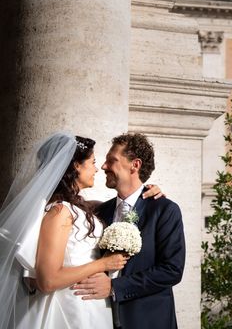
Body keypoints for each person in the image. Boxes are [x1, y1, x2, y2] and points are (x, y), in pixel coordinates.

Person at [0, 133, 128, 328]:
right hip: (68, 307)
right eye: (92, 162)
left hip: (87, 306)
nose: (97, 168)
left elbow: (119, 206)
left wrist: (147, 192)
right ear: (76, 165)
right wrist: (102, 264)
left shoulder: (76, 207)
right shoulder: (60, 212)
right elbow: (48, 280)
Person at [72, 133, 186, 329]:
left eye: (111, 161)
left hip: (149, 321)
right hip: (100, 318)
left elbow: (172, 270)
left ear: (135, 165)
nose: (104, 167)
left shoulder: (165, 210)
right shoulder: (99, 212)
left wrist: (114, 287)